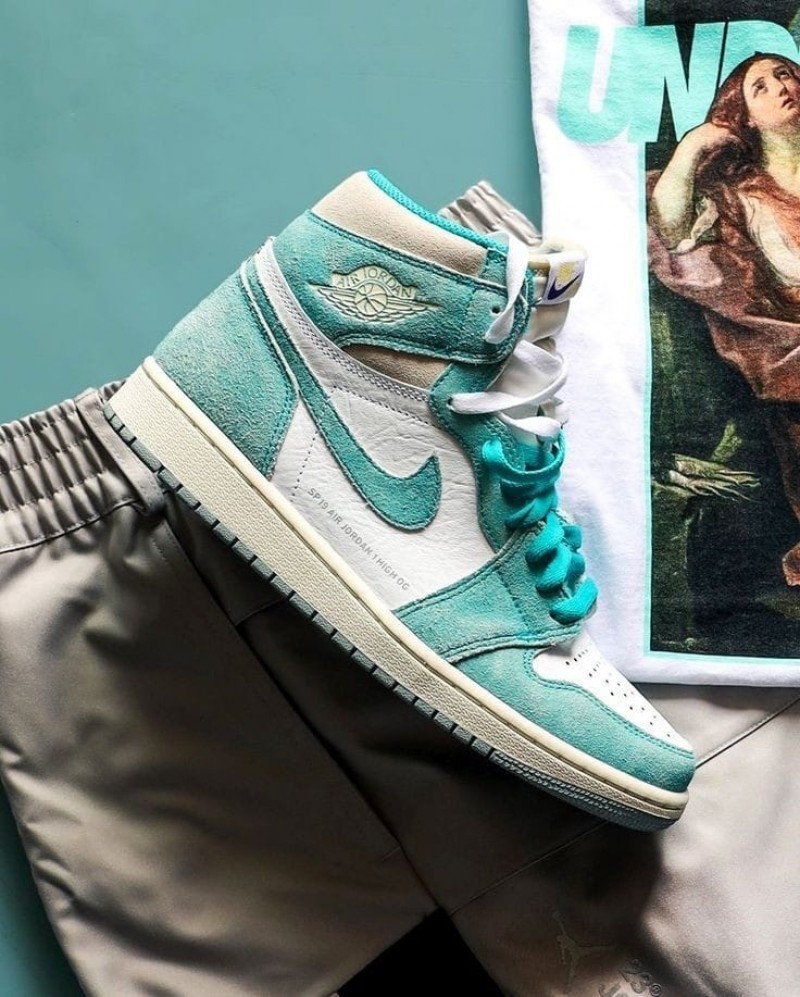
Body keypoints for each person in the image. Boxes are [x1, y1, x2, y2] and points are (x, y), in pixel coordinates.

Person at [649, 52, 800, 584]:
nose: (781, 85)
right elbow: (671, 231)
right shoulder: (740, 195)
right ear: (746, 119)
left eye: (785, 73)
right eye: (761, 86)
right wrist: (694, 145)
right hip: (787, 342)